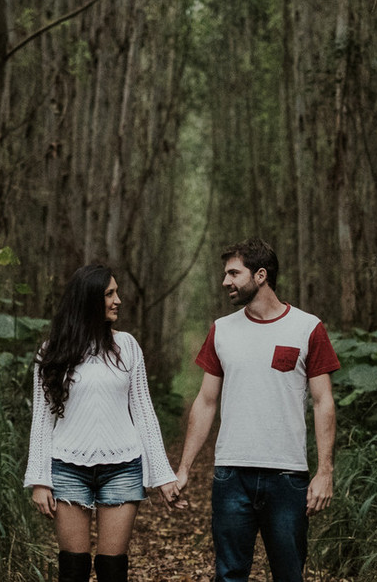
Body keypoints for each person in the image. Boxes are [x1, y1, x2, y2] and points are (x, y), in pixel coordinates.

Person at [175, 239, 340, 582]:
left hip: (287, 475)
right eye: (225, 274)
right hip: (231, 475)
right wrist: (185, 467)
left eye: (234, 273)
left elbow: (324, 402)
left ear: (261, 275)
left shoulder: (308, 327)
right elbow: (206, 401)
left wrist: (325, 471)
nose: (225, 282)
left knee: (289, 574)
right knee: (230, 574)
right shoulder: (222, 329)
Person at [25, 264, 185, 582]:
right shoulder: (52, 351)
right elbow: (41, 420)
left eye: (116, 292)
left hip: (123, 468)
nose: (118, 300)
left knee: (113, 570)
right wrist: (40, 479)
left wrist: (164, 475)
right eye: (110, 293)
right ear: (88, 300)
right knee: (74, 569)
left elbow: (144, 413)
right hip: (67, 467)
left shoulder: (126, 346)